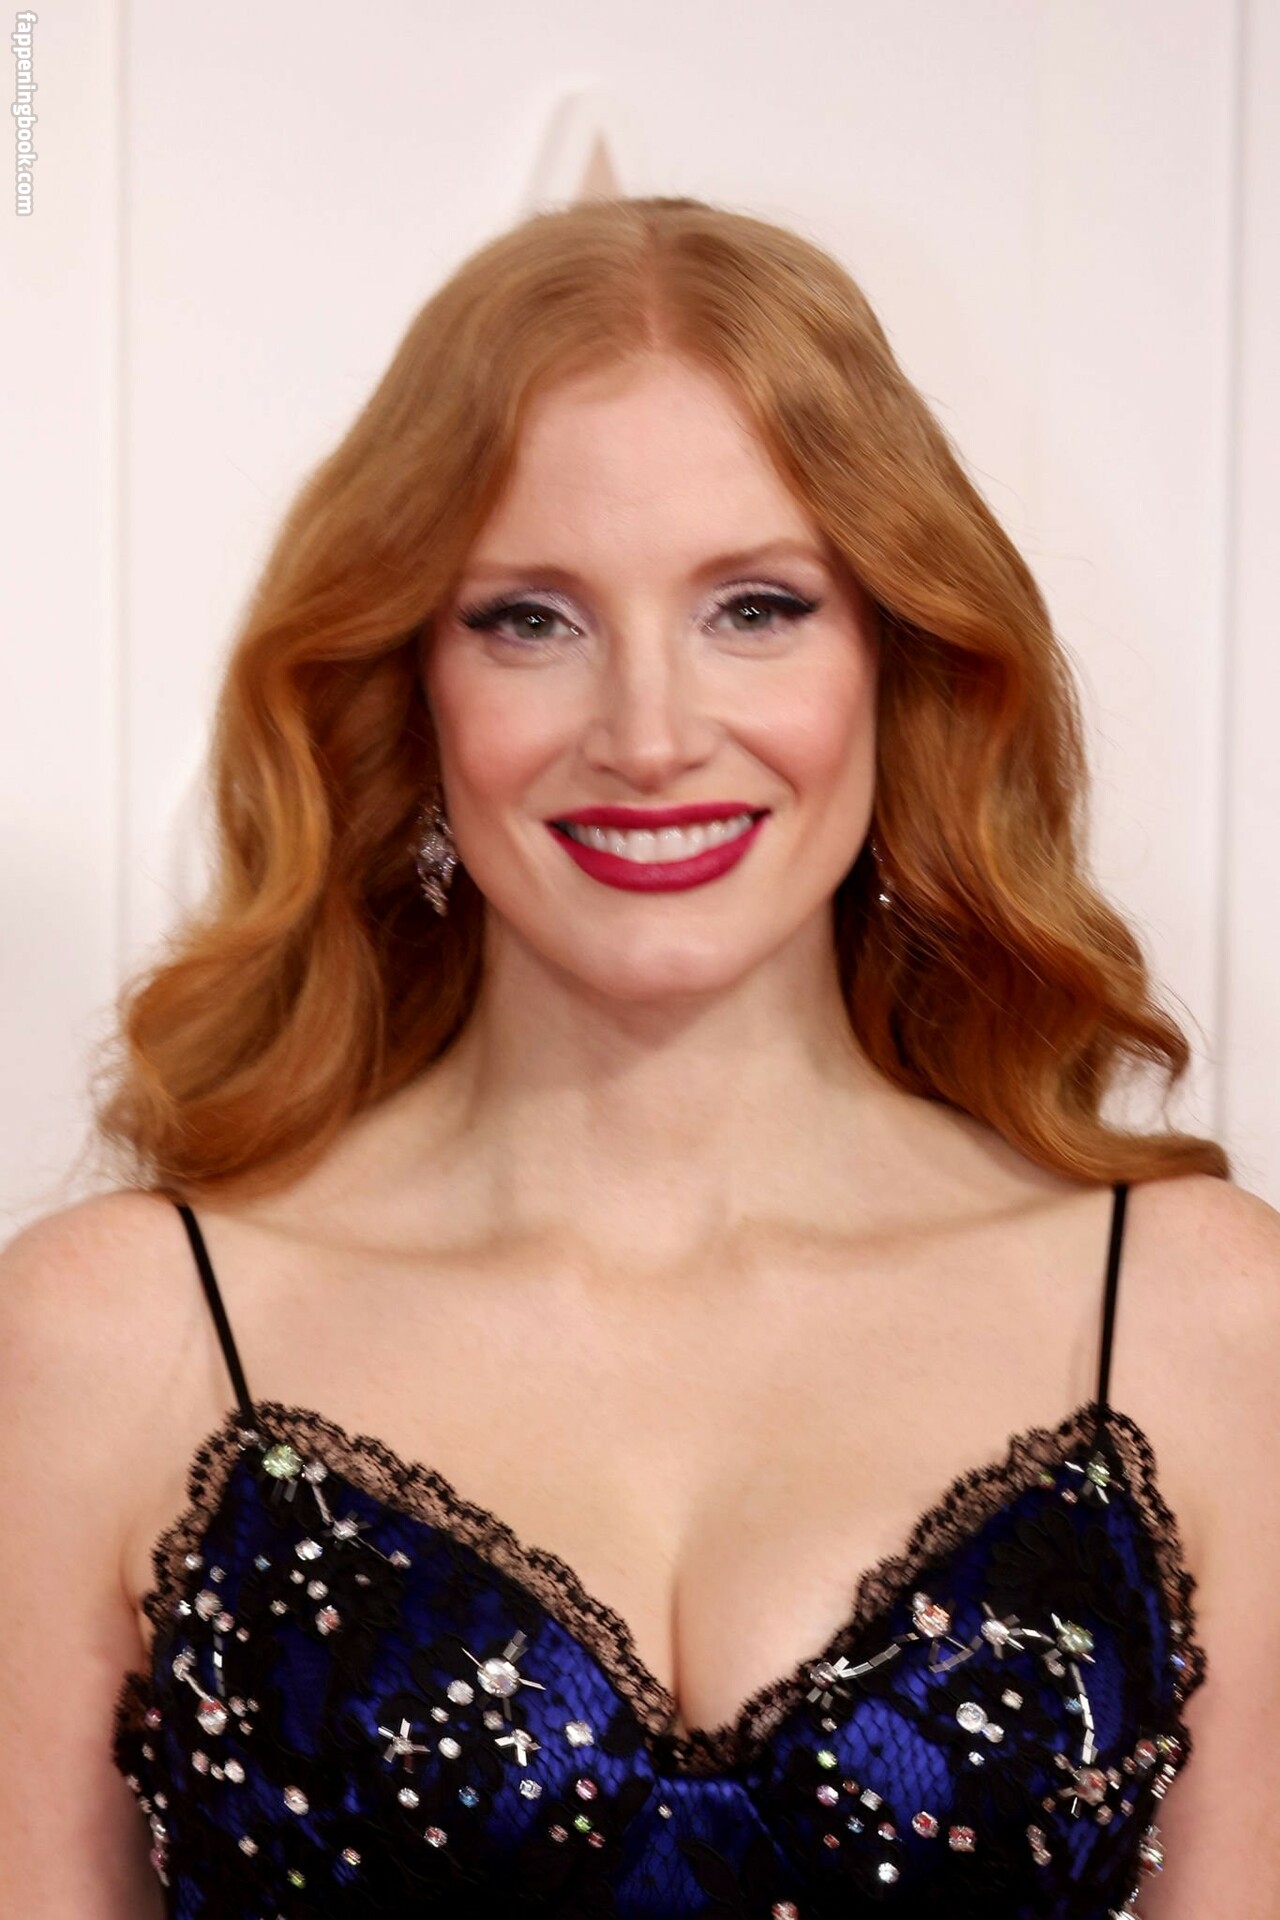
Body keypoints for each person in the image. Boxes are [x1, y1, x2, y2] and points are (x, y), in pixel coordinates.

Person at [1, 195, 1276, 1919]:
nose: (652, 735)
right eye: (531, 619)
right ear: (408, 679)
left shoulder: (1205, 1321)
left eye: (756, 605)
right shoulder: (101, 1341)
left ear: (897, 658)